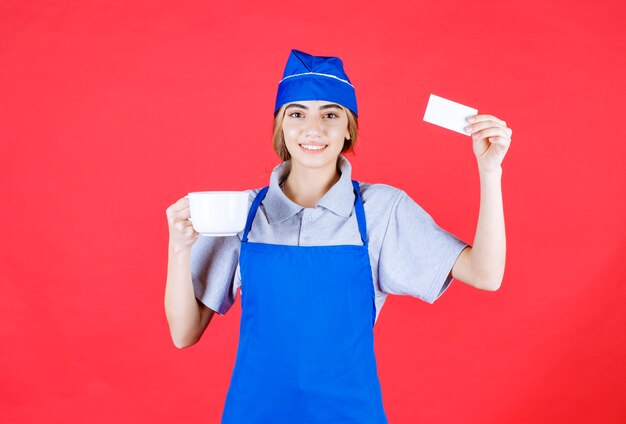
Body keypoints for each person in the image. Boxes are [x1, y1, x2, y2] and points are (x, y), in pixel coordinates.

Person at [164, 49, 512, 423]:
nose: (313, 129)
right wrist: (178, 248)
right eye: (296, 114)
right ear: (281, 126)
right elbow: (184, 333)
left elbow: (485, 275)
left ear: (349, 128)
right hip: (255, 413)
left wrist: (490, 173)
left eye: (330, 114)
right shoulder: (243, 213)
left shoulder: (381, 210)